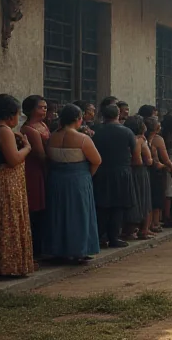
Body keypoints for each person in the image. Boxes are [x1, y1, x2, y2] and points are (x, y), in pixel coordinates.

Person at [0, 94, 34, 276]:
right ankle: (8, 266)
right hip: (5, 184)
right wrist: (27, 147)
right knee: (8, 222)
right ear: (11, 115)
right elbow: (13, 159)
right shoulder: (4, 131)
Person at [43, 104, 101, 263]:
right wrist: (86, 175)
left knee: (58, 214)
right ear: (78, 119)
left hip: (56, 178)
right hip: (78, 178)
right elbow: (96, 160)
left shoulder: (52, 136)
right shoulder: (82, 138)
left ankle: (58, 249)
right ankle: (78, 250)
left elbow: (48, 158)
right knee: (78, 214)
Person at [92, 104, 135, 249]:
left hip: (101, 170)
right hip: (122, 171)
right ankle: (114, 237)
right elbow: (135, 154)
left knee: (102, 205)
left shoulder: (96, 131)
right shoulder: (127, 132)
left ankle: (99, 237)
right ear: (118, 115)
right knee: (118, 206)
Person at [20, 95, 49, 259]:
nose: (44, 110)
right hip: (34, 171)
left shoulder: (43, 125)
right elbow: (40, 154)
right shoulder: (29, 129)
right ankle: (34, 251)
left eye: (45, 107)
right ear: (31, 109)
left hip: (42, 170)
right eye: (40, 107)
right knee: (35, 208)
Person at [123, 115, 153, 240]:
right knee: (144, 198)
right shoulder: (140, 140)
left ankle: (129, 230)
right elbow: (145, 160)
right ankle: (144, 229)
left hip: (128, 171)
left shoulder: (126, 138)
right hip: (140, 172)